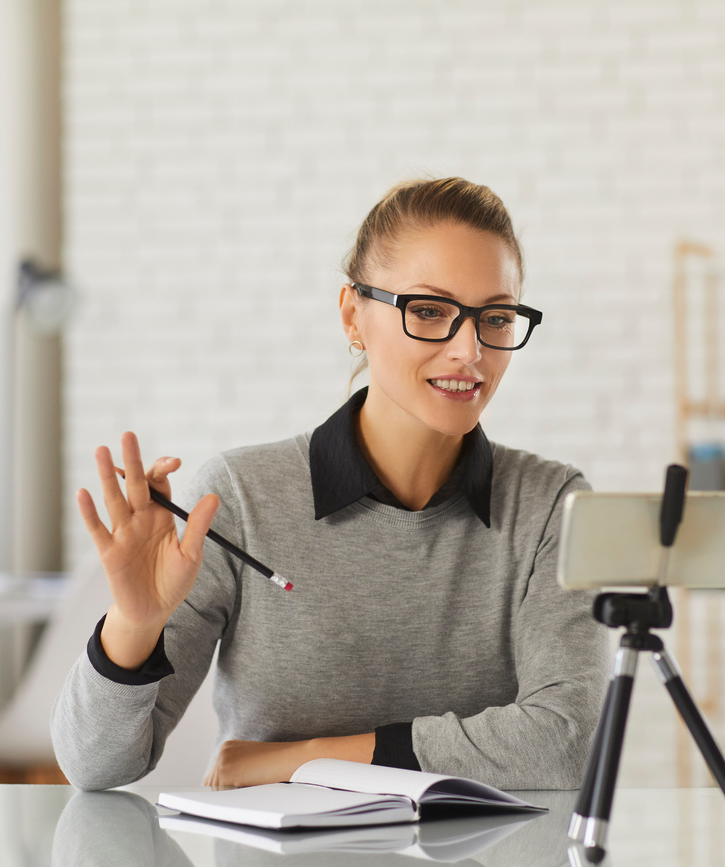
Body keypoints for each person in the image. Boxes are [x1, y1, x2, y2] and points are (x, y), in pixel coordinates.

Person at [51, 177, 608, 792]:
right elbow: (95, 767)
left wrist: (308, 759)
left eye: (496, 318)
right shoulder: (239, 497)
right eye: (429, 311)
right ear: (353, 315)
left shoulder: (552, 505)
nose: (468, 349)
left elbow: (566, 744)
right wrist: (133, 624)